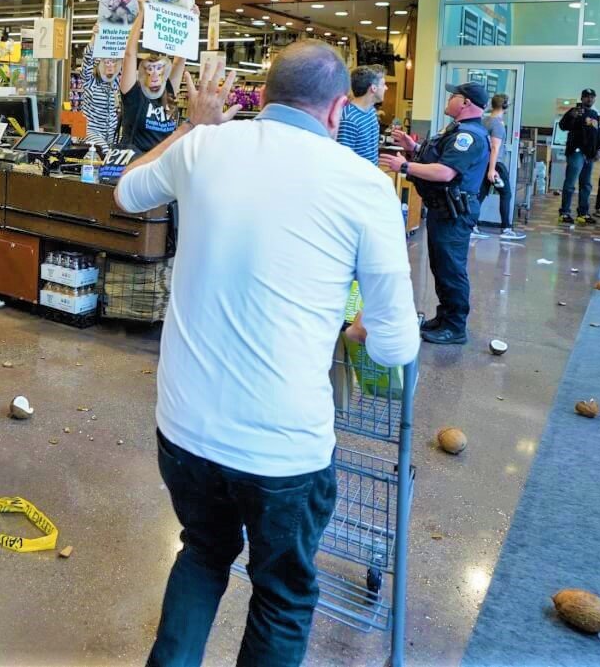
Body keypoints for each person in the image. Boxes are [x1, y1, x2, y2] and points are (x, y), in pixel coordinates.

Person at [115, 41, 419, 667]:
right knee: (282, 594)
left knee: (202, 553)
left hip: (185, 427)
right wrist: (355, 328)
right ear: (339, 110)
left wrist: (191, 128)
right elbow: (394, 342)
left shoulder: (204, 147)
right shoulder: (365, 185)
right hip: (283, 450)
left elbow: (127, 192)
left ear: (266, 96)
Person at [380, 82, 491, 345]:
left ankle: (455, 326)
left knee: (451, 268)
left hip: (455, 212)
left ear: (465, 103)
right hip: (444, 209)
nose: (449, 99)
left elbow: (445, 172)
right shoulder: (456, 130)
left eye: (454, 96)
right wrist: (414, 148)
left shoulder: (470, 136)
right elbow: (440, 158)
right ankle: (444, 317)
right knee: (441, 266)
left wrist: (405, 165)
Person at [118, 0, 185, 153]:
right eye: (149, 69)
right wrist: (142, 13)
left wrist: (189, 22)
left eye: (159, 69)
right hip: (137, 165)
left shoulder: (168, 90)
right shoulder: (134, 94)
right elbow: (129, 54)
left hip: (161, 164)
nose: (154, 74)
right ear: (142, 74)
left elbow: (179, 61)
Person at [473, 93, 527, 241]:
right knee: (506, 194)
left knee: (480, 195)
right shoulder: (497, 124)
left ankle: (471, 225)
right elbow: (495, 148)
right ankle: (506, 228)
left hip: (485, 163)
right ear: (505, 106)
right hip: (496, 165)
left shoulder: (484, 121)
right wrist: (492, 169)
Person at [558, 88, 600, 224]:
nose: (590, 99)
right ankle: (564, 213)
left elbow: (596, 134)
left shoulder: (595, 114)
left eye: (592, 97)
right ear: (582, 98)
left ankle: (583, 214)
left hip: (589, 154)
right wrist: (572, 115)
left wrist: (599, 150)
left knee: (586, 185)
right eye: (587, 97)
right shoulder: (573, 111)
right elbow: (562, 126)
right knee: (570, 183)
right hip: (576, 152)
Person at [78, 34, 122, 151]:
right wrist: (94, 36)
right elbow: (87, 60)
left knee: (122, 153)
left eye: (113, 62)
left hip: (111, 132)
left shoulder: (116, 82)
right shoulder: (90, 81)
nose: (110, 65)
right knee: (105, 151)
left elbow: (125, 59)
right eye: (106, 62)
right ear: (98, 65)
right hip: (90, 130)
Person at [335, 65, 385, 164]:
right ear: (373, 88)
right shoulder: (348, 119)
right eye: (383, 84)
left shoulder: (371, 111)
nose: (386, 88)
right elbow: (343, 161)